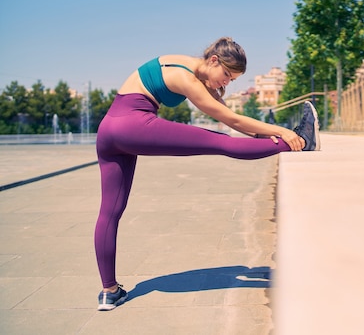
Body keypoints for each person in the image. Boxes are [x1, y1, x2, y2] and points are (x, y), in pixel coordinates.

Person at [94, 37, 319, 311]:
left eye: (232, 80)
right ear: (213, 60)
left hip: (108, 131)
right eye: (226, 75)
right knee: (219, 141)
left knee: (110, 212)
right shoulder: (186, 78)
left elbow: (234, 119)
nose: (226, 83)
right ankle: (301, 141)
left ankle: (109, 292)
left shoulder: (183, 63)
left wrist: (265, 132)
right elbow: (231, 120)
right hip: (134, 124)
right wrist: (283, 133)